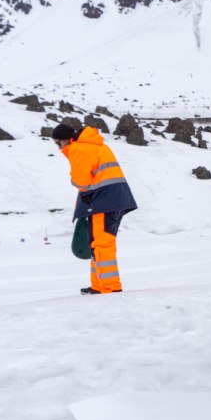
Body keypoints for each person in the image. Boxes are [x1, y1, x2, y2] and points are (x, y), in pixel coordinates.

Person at [52, 123, 137, 294]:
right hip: (112, 199)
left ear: (66, 139)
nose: (59, 147)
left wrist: (75, 181)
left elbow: (81, 181)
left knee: (101, 243)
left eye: (58, 143)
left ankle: (110, 287)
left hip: (103, 200)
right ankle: (98, 285)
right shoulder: (96, 144)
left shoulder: (79, 148)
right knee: (97, 243)